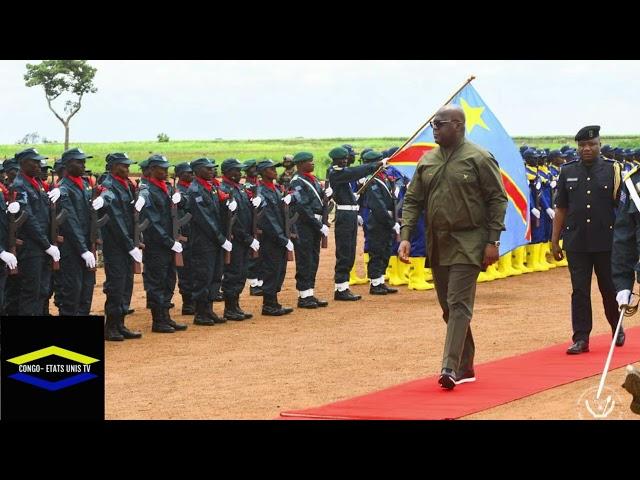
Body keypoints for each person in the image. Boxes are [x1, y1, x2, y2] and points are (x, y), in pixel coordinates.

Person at [399, 105, 508, 390]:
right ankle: (466, 365)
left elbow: (497, 199)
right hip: (439, 242)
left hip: (470, 241)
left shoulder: (479, 158)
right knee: (449, 308)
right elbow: (412, 201)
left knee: (459, 303)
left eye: (440, 124)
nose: (434, 128)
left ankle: (449, 367)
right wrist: (406, 235)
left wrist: (492, 241)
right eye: (433, 124)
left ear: (458, 125)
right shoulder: (427, 161)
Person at [552, 125, 624, 354]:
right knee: (579, 291)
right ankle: (581, 338)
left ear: (599, 145)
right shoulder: (567, 171)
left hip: (606, 241)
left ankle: (617, 327)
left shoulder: (613, 170)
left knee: (609, 288)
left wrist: (625, 242)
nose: (587, 149)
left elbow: (622, 209)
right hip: (576, 242)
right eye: (582, 145)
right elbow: (561, 208)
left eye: (591, 144)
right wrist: (555, 241)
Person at [328, 146, 387, 300]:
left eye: (346, 158)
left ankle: (344, 287)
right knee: (344, 251)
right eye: (343, 159)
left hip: (351, 213)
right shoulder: (336, 172)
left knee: (350, 251)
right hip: (344, 215)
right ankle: (340, 288)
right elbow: (354, 172)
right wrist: (377, 164)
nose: (346, 160)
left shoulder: (342, 173)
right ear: (335, 160)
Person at [8, 148, 61, 316]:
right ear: (23, 164)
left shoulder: (34, 183)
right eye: (35, 162)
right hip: (32, 249)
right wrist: (47, 245)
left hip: (42, 247)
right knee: (31, 293)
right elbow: (28, 219)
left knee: (42, 291)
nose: (39, 165)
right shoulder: (19, 186)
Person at [139, 154, 188, 333]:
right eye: (162, 168)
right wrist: (169, 242)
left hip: (169, 244)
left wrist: (181, 199)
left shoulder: (166, 189)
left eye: (167, 168)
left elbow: (185, 206)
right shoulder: (148, 191)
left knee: (169, 280)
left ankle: (166, 316)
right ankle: (158, 320)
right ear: (151, 170)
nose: (166, 171)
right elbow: (152, 222)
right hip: (157, 246)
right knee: (157, 282)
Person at [96, 153, 142, 341]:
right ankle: (111, 327)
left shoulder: (125, 184)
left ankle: (120, 323)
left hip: (127, 242)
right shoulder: (109, 185)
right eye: (124, 166)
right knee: (116, 285)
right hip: (115, 244)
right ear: (113, 166)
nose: (128, 169)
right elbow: (115, 220)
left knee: (126, 284)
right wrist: (130, 245)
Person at [187, 157, 231, 325]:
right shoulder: (195, 190)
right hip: (203, 241)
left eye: (213, 168)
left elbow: (216, 214)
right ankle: (200, 313)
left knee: (215, 275)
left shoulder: (211, 187)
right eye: (208, 168)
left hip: (214, 240)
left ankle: (209, 310)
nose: (212, 171)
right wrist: (221, 238)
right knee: (203, 276)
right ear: (197, 171)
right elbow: (204, 219)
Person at [56, 148, 99, 316]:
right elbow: (71, 221)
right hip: (72, 249)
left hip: (86, 247)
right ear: (67, 165)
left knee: (86, 293)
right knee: (72, 294)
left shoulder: (84, 185)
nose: (83, 165)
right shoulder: (63, 188)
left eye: (84, 161)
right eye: (78, 162)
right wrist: (83, 250)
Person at [289, 151, 330, 308]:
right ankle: (303, 295)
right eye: (309, 161)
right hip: (304, 226)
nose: (312, 164)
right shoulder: (297, 182)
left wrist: (327, 196)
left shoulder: (312, 180)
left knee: (314, 258)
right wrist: (319, 225)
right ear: (300, 164)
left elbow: (318, 203)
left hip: (314, 225)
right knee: (305, 259)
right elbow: (303, 207)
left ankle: (310, 293)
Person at [219, 158, 256, 320]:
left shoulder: (239, 188)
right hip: (235, 238)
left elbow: (246, 214)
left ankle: (236, 305)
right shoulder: (224, 189)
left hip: (245, 238)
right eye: (236, 170)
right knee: (233, 274)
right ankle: (230, 308)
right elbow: (232, 222)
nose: (239, 173)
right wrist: (246, 237)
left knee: (242, 273)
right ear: (227, 172)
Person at [256, 158, 294, 315]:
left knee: (279, 269)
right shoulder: (261, 191)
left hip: (279, 237)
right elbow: (268, 219)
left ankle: (274, 302)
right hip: (271, 238)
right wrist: (282, 238)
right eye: (271, 169)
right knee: (271, 269)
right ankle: (268, 304)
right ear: (264, 172)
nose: (275, 171)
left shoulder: (275, 188)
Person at [360, 150, 399, 295]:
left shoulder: (383, 177)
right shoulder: (371, 181)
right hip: (377, 220)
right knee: (376, 250)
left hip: (385, 219)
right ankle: (375, 283)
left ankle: (381, 280)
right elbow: (378, 205)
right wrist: (391, 222)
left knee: (385, 249)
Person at [174, 162, 195, 315]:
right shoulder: (178, 191)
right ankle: (187, 303)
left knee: (194, 270)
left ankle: (193, 300)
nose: (191, 174)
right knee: (186, 272)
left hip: (194, 236)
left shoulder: (190, 189)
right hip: (184, 237)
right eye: (188, 173)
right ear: (180, 174)